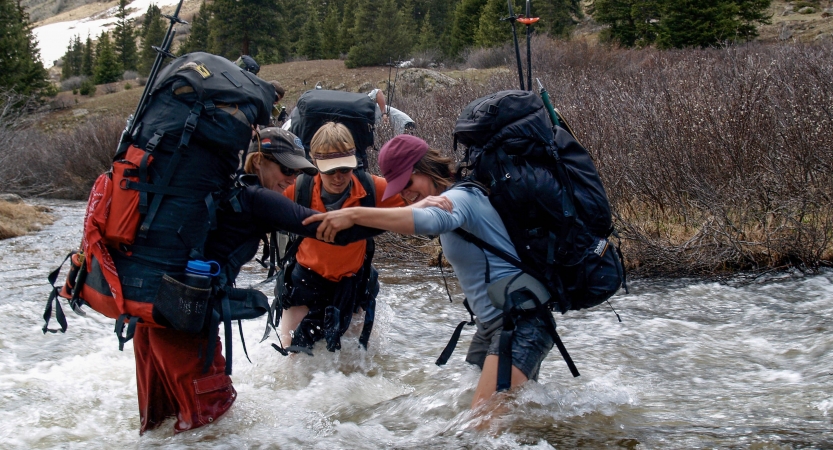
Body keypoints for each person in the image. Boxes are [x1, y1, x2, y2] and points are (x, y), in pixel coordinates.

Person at [133, 128, 388, 434]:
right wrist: (396, 215)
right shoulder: (257, 199)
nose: (292, 179)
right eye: (285, 169)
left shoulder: (222, 192)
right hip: (184, 320)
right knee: (210, 422)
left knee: (157, 424)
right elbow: (335, 232)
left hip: (151, 316)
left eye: (297, 172)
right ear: (258, 161)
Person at [303, 135, 554, 410]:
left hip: (520, 324)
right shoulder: (452, 195)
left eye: (408, 183)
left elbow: (427, 221)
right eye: (400, 189)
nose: (406, 194)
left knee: (482, 427)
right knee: (489, 422)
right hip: (493, 327)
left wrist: (353, 214)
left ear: (427, 168)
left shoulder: (459, 197)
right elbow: (416, 213)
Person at [277, 122, 406, 353]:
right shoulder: (296, 189)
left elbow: (416, 201)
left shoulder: (373, 188)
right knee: (290, 359)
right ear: (314, 162)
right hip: (306, 282)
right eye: (329, 170)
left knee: (358, 362)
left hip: (353, 284)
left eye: (345, 169)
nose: (338, 178)